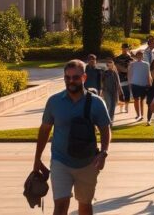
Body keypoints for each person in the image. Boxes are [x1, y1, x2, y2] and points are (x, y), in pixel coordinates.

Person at [33, 60, 111, 215]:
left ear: (84, 78)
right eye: (67, 78)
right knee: (60, 206)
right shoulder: (54, 102)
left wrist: (103, 153)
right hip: (60, 161)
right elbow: (44, 130)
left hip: (88, 163)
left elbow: (105, 129)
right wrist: (37, 158)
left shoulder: (96, 103)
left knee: (85, 205)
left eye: (75, 77)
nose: (71, 81)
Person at [128, 50, 151, 122]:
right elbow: (129, 74)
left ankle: (142, 115)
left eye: (141, 55)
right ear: (136, 56)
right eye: (138, 55)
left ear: (143, 56)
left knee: (142, 100)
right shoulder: (132, 64)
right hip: (134, 84)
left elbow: (148, 75)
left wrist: (149, 83)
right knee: (136, 99)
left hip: (144, 84)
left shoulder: (146, 64)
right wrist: (129, 83)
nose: (140, 56)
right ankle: (138, 114)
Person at [114, 43, 133, 114]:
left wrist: (121, 68)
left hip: (127, 78)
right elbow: (116, 67)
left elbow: (128, 69)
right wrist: (123, 68)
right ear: (122, 48)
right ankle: (121, 107)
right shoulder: (117, 58)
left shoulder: (130, 59)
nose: (125, 49)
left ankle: (126, 107)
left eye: (126, 48)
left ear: (128, 49)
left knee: (127, 93)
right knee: (120, 93)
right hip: (119, 78)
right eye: (123, 48)